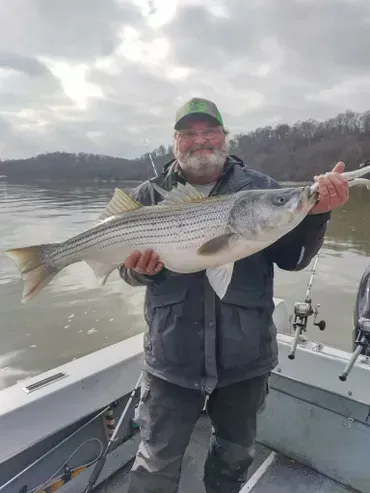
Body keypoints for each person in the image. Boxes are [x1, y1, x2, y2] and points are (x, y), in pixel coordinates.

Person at [119, 97, 349, 493]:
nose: (199, 140)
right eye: (188, 133)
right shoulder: (150, 193)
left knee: (233, 458)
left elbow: (293, 258)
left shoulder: (261, 189)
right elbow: (125, 269)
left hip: (245, 360)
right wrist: (136, 271)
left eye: (209, 131)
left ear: (224, 137)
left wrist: (316, 215)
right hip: (172, 359)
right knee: (154, 465)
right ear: (175, 142)